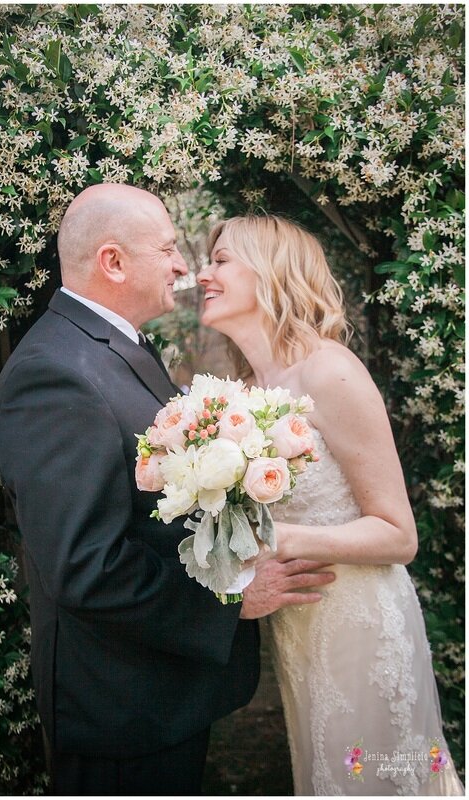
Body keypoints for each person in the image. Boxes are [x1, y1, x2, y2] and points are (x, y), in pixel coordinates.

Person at [0, 185, 335, 796]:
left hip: (150, 694)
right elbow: (85, 566)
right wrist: (230, 599)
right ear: (113, 262)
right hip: (116, 707)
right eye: (170, 249)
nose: (183, 266)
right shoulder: (56, 373)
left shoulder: (113, 348)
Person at [197, 213, 464, 796]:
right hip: (296, 628)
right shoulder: (240, 397)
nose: (202, 274)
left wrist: (283, 540)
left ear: (271, 272)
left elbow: (399, 535)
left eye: (220, 261)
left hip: (359, 625)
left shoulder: (329, 370)